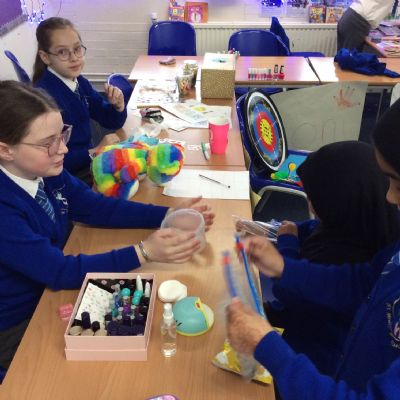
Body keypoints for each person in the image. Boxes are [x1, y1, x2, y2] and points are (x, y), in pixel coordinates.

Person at [0, 81, 214, 371]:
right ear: (6, 150)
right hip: (18, 321)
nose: (63, 148)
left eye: (63, 134)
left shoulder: (44, 169)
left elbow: (94, 207)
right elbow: (59, 271)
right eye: (48, 142)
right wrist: (144, 252)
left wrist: (167, 214)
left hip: (49, 290)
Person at [226, 99, 400, 399]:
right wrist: (285, 268)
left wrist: (269, 347)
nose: (390, 197)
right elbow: (361, 284)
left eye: (398, 184)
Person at [267, 141, 400, 376]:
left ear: (337, 206)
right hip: (306, 344)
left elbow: (290, 295)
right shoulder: (371, 223)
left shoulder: (341, 255)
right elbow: (317, 229)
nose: (390, 196)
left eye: (313, 199)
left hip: (312, 367)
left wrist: (286, 250)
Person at [33, 17, 127, 185]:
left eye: (77, 49)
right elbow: (49, 159)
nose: (74, 58)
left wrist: (118, 106)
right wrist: (94, 151)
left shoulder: (79, 82)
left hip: (87, 164)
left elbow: (110, 120)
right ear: (45, 57)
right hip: (69, 177)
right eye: (63, 52)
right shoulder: (44, 98)